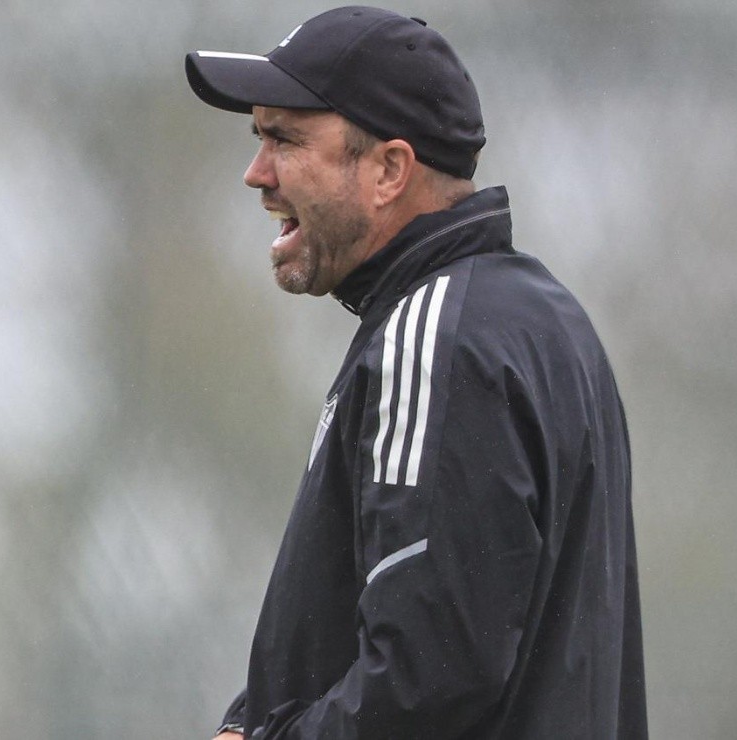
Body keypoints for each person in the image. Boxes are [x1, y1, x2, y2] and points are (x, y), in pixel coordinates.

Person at [185, 7, 647, 738]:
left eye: (285, 140)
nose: (257, 174)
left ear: (389, 170)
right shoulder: (548, 323)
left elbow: (427, 678)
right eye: (258, 139)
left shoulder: (436, 337)